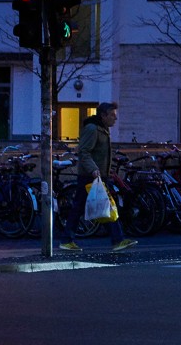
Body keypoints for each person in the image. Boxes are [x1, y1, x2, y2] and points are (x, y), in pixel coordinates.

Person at [60, 102, 138, 253]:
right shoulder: (93, 129)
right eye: (112, 116)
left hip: (97, 175)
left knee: (102, 206)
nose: (115, 119)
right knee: (97, 206)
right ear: (103, 115)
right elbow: (84, 152)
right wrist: (94, 169)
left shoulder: (102, 129)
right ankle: (116, 240)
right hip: (90, 176)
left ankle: (116, 240)